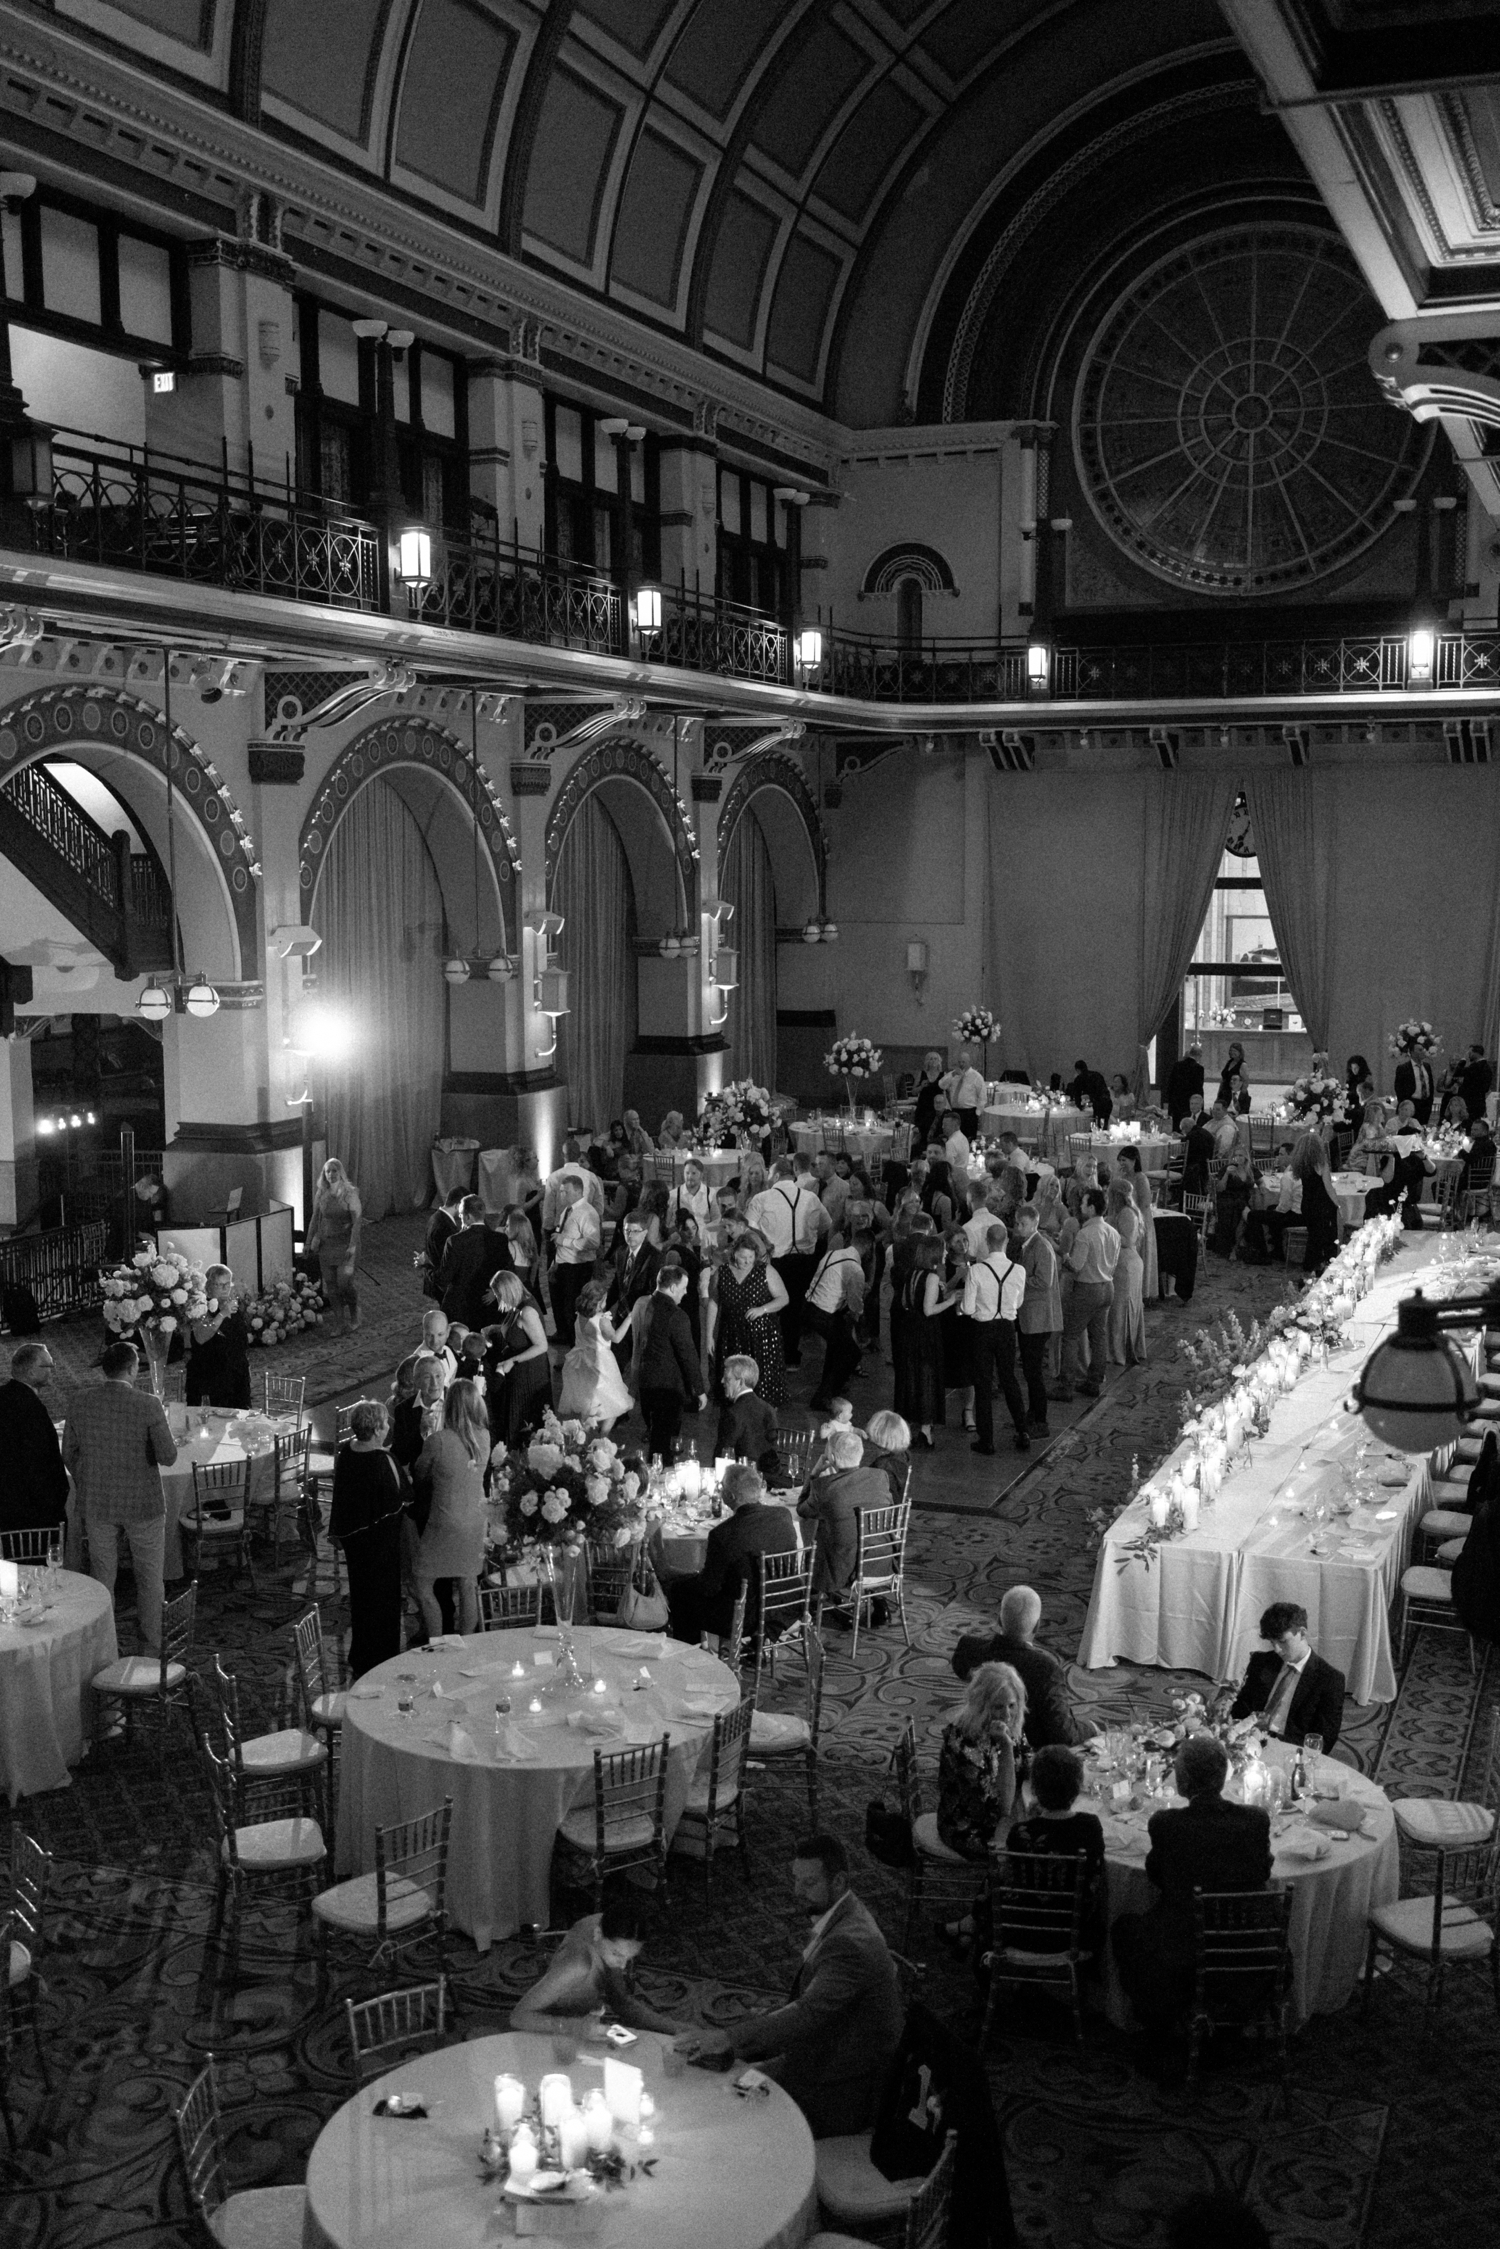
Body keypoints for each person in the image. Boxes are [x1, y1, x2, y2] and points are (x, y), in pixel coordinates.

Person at [675, 1833, 902, 2138]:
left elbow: (807, 2013)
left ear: (839, 1881)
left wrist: (729, 2037)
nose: (797, 1891)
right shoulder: (842, 1915)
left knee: (734, 2110)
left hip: (842, 2083)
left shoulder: (849, 1943)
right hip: (823, 2048)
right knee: (729, 2083)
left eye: (809, 1884)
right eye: (796, 1880)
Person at [1111, 1733, 1272, 2039]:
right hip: (1245, 1947)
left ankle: (1163, 2018)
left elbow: (1156, 1876)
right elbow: (1263, 1870)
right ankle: (1227, 2011)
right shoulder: (1255, 1821)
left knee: (1125, 1929)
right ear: (1224, 1777)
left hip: (1183, 1948)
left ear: (1182, 1780)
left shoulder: (1165, 1824)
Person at [64, 1340, 178, 1651]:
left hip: (97, 1501)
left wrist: (90, 1478)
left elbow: (69, 1454)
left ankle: (103, 1645)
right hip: (143, 1503)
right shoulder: (148, 1404)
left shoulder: (79, 1401)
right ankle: (152, 1646)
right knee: (150, 1578)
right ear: (132, 1368)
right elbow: (168, 1456)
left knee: (102, 1576)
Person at [665, 1461, 797, 1642]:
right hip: (785, 1605)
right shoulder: (783, 1515)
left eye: (721, 1487)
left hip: (746, 1617)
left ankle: (691, 1656)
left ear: (730, 1495)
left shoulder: (723, 1533)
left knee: (681, 1593)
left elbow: (708, 1587)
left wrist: (682, 1579)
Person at [511, 1897, 684, 2034]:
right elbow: (518, 2017)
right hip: (551, 2030)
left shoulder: (606, 1924)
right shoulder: (577, 1966)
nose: (623, 1966)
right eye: (617, 1954)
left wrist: (675, 2027)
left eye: (630, 1958)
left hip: (581, 2017)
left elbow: (621, 2001)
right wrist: (576, 2028)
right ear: (598, 1933)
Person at [952, 1585, 1096, 1747]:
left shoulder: (969, 1650)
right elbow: (1063, 1735)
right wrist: (1090, 1728)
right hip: (1028, 1755)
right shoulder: (1047, 1670)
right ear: (1037, 1626)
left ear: (999, 1620)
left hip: (978, 1741)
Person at [329, 1397, 406, 1677]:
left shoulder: (345, 1451)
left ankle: (360, 1653)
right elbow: (401, 1498)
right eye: (385, 1422)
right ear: (376, 1430)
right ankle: (383, 1657)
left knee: (361, 1599)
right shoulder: (382, 1459)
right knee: (384, 1602)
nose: (388, 1426)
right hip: (381, 1545)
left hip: (355, 1544)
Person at [412, 1376, 488, 1638]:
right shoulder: (484, 1437)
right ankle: (467, 1642)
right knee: (468, 1583)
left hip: (445, 1520)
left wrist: (425, 1436)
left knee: (422, 1583)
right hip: (476, 1519)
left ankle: (437, 1642)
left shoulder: (439, 1440)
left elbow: (420, 1473)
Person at [746, 1155, 830, 1368]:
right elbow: (826, 1224)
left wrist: (765, 1242)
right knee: (794, 1310)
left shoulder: (762, 1198)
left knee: (771, 1307)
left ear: (774, 1176)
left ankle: (769, 1355)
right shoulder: (810, 1197)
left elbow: (748, 1228)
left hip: (776, 1262)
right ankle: (791, 1356)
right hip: (804, 1261)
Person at [937, 1661, 1025, 1858]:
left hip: (1000, 1815)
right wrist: (1006, 1746)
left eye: (1012, 1705)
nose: (1007, 1715)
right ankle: (997, 1886)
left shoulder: (1006, 1724)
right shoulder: (964, 1745)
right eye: (998, 1707)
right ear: (981, 1707)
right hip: (967, 1827)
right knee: (1031, 1847)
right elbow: (1004, 1807)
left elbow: (1027, 1762)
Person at [798, 1424, 891, 1612]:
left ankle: (818, 1597)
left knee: (817, 1536)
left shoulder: (824, 1487)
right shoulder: (880, 1477)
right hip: (881, 1560)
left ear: (831, 1458)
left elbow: (802, 1509)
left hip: (842, 1570)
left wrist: (814, 1473)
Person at [1228, 1601, 1345, 1751]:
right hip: (1247, 1741)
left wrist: (1271, 1741)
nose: (1277, 1649)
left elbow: (1323, 1740)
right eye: (1272, 1642)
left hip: (1289, 1749)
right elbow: (1241, 1708)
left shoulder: (1329, 1679)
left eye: (1282, 1641)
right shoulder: (1261, 1662)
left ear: (1302, 1633)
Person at [962, 1219, 1028, 1455]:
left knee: (983, 1383)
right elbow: (1018, 1303)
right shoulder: (1018, 1271)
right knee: (1009, 1379)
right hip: (1007, 1328)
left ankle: (986, 1439)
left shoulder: (977, 1271)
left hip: (983, 1330)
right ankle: (1023, 1431)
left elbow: (968, 1309)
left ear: (987, 1243)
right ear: (1006, 1242)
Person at [1050, 1188, 1118, 1402]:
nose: (1080, 1207)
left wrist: (1062, 1252)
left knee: (1070, 1336)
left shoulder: (1086, 1234)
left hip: (1088, 1289)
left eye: (1083, 1204)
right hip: (1108, 1286)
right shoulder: (1112, 1232)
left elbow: (1076, 1266)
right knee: (1098, 1336)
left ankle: (1066, 1386)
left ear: (1091, 1207)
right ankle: (1094, 1382)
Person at [706, 1232, 788, 1405]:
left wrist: (762, 1309)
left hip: (761, 1335)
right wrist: (708, 1336)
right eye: (743, 1257)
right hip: (732, 1334)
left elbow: (783, 1298)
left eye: (751, 1257)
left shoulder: (765, 1270)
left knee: (762, 1379)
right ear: (734, 1253)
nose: (747, 1261)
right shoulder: (722, 1273)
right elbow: (714, 1303)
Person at [892, 1235, 958, 1447]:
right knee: (927, 1377)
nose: (946, 1253)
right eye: (944, 1250)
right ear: (935, 1254)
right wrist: (950, 1301)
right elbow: (929, 1310)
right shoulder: (930, 1277)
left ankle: (907, 1424)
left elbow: (904, 1301)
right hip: (926, 1332)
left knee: (910, 1375)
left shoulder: (911, 1273)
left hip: (908, 1329)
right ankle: (925, 1429)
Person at [637, 1266, 706, 1463]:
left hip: (647, 1382)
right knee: (663, 1445)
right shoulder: (677, 1315)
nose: (685, 1292)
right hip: (667, 1388)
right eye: (684, 1287)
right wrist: (699, 1390)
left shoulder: (646, 1304)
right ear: (674, 1287)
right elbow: (688, 1355)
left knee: (657, 1439)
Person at [0, 1341, 68, 1539]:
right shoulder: (31, 1408)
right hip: (32, 1510)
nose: (53, 1369)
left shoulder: (4, 1396)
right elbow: (40, 1459)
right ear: (30, 1372)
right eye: (48, 1365)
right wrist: (57, 1497)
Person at [1007, 1745, 1105, 1875]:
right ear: (1077, 1788)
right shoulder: (1090, 1825)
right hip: (1077, 1895)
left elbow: (1017, 1874)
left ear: (1034, 1788)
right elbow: (1097, 1871)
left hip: (1028, 1895)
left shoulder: (1018, 1833)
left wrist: (1030, 1821)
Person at [481, 1270, 553, 1444]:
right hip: (518, 1371)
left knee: (524, 1420)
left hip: (529, 1375)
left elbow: (542, 1345)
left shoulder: (527, 1312)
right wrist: (495, 1328)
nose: (497, 1299)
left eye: (498, 1294)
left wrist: (513, 1360)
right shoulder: (517, 1306)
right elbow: (517, 1330)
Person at [803, 1226, 867, 1414]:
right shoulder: (856, 1269)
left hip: (808, 1306)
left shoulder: (831, 1255)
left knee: (837, 1347)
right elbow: (855, 1305)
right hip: (824, 1314)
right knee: (851, 1353)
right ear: (868, 1248)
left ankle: (829, 1390)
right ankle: (825, 1395)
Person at [557, 1278, 632, 1430]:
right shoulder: (602, 1321)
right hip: (600, 1362)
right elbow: (616, 1338)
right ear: (599, 1302)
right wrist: (630, 1318)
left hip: (582, 1361)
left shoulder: (580, 1316)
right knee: (614, 1402)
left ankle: (585, 1435)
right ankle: (602, 1437)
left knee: (588, 1399)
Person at [1014, 1205, 1059, 1437]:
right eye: (1017, 1223)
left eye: (1021, 1223)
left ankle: (1041, 1421)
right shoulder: (1028, 1245)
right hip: (1029, 1317)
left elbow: (1044, 1281)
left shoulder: (1040, 1246)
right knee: (1030, 1372)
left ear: (1033, 1224)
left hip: (1038, 1319)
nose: (1017, 1227)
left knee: (1034, 1372)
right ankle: (1032, 1413)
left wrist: (1017, 1277)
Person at [306, 1156, 362, 1333]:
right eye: (327, 1171)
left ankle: (354, 1314)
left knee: (344, 1283)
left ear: (340, 1172)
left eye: (334, 1170)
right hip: (326, 1244)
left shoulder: (350, 1193)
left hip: (345, 1244)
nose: (331, 1174)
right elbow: (315, 1218)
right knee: (330, 1284)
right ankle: (340, 1322)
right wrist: (309, 1241)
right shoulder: (321, 1193)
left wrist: (352, 1246)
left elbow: (357, 1222)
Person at [185, 1262, 252, 1409]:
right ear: (208, 1286)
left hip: (235, 1372)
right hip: (209, 1372)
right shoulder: (200, 1306)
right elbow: (201, 1337)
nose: (224, 1289)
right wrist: (222, 1314)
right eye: (219, 1285)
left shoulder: (233, 1308)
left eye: (227, 1284)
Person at [550, 1173, 601, 1349]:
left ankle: (575, 1348)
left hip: (577, 1267)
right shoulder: (567, 1210)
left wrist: (565, 1241)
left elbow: (593, 1242)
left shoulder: (587, 1212)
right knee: (561, 1306)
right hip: (563, 1264)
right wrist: (554, 1263)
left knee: (571, 1309)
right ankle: (564, 1337)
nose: (562, 1195)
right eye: (561, 1191)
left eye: (566, 1191)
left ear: (579, 1191)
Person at [439, 1198, 507, 1328]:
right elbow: (507, 1271)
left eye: (460, 1216)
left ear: (468, 1216)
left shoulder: (455, 1241)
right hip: (488, 1305)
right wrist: (496, 1292)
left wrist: (427, 1265)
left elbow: (444, 1278)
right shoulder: (500, 1239)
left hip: (461, 1308)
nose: (460, 1219)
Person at [1105, 1179, 1148, 1366]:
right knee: (1118, 1308)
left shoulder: (1127, 1213)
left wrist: (1105, 1230)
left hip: (1127, 1265)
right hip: (1122, 1263)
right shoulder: (1119, 1212)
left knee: (1121, 1308)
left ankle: (1120, 1351)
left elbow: (1128, 1239)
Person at [715, 1353, 780, 1474]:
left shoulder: (732, 1414)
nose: (722, 1381)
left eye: (727, 1378)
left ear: (741, 1382)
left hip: (742, 1482)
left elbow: (722, 1460)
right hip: (769, 1480)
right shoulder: (769, 1409)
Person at [1290, 1130, 1339, 1271]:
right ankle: (1326, 1266)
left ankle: (1310, 1267)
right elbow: (1328, 1187)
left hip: (1307, 1204)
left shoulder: (1300, 1164)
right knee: (1328, 1237)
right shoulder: (1321, 1164)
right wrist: (1338, 1205)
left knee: (1314, 1237)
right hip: (1322, 1205)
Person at [419, 1184, 466, 1300]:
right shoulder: (446, 1227)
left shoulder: (435, 1217)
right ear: (458, 1205)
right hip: (442, 1286)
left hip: (435, 1282)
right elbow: (447, 1260)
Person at [1209, 1145, 1256, 1259]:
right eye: (1235, 1155)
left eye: (1240, 1155)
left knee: (1243, 1214)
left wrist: (1262, 1186)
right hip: (1226, 1198)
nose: (1238, 1158)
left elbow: (1260, 1182)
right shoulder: (1227, 1168)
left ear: (1246, 1157)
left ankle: (1234, 1247)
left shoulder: (1250, 1169)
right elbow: (1220, 1189)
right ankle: (1232, 1248)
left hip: (1242, 1200)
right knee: (1233, 1212)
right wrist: (1226, 1174)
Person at [862, 1409, 911, 1507]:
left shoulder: (881, 1465)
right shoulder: (904, 1454)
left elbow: (870, 1492)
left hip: (881, 1512)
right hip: (896, 1508)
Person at [945, 1048, 987, 1144]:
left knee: (968, 1140)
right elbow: (942, 1085)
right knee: (954, 1139)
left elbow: (982, 1097)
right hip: (955, 1111)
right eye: (959, 1062)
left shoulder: (976, 1077)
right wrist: (951, 1075)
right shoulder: (953, 1075)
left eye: (963, 1062)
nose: (961, 1064)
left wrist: (977, 1113)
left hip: (969, 1113)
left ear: (969, 1062)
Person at [1163, 1041, 1205, 1131]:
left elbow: (1170, 1085)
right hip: (1190, 1104)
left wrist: (1170, 1104)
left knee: (1176, 1128)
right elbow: (1198, 1088)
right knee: (1189, 1128)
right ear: (1199, 1056)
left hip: (1176, 1102)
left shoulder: (1177, 1065)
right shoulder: (1199, 1068)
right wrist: (1201, 1105)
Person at [1393, 1045, 1436, 1125]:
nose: (1423, 1051)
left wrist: (1430, 1102)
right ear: (1412, 1052)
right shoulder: (1403, 1068)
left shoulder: (1427, 1066)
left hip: (1425, 1105)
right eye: (1420, 1050)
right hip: (1411, 1103)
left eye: (1423, 1049)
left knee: (1423, 1128)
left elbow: (1430, 1085)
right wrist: (1405, 1105)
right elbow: (1398, 1088)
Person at [912, 1052, 947, 1146]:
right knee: (922, 1133)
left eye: (935, 1059)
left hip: (937, 1109)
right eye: (931, 1059)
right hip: (923, 1108)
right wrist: (921, 1087)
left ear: (939, 1061)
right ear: (927, 1061)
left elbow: (947, 1092)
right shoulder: (922, 1074)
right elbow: (913, 1091)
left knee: (935, 1133)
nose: (933, 1061)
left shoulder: (943, 1075)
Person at [1459, 1041, 1494, 1124]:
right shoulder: (1486, 1067)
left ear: (1476, 1053)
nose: (1468, 1055)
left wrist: (1463, 1060)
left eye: (1470, 1052)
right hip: (1479, 1103)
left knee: (1468, 1128)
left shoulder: (1476, 1066)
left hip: (1471, 1103)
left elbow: (1459, 1072)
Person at [1214, 1043, 1247, 1107]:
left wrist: (1240, 1098)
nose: (1232, 1052)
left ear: (1240, 1052)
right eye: (1231, 1051)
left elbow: (1245, 1082)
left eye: (1234, 1051)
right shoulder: (1229, 1062)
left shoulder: (1243, 1065)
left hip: (1234, 1094)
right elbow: (1223, 1079)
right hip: (1224, 1092)